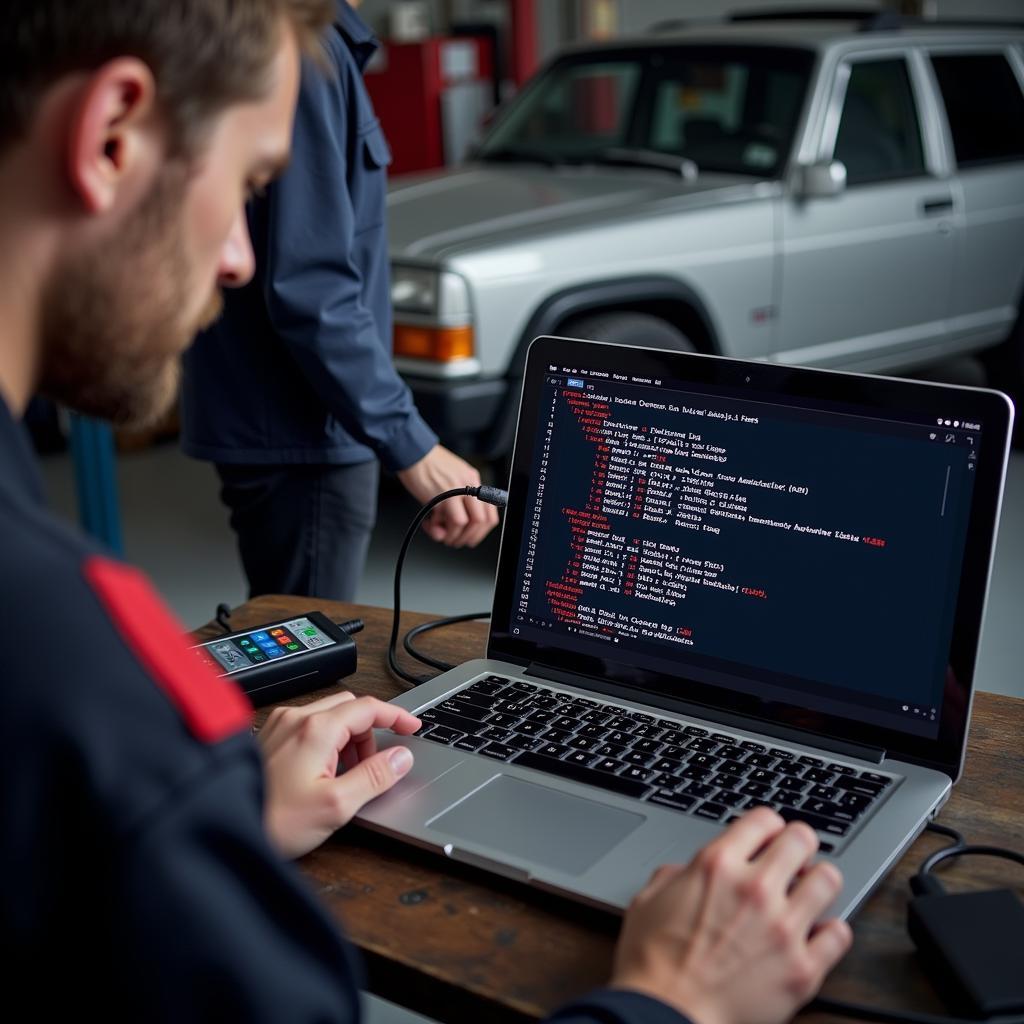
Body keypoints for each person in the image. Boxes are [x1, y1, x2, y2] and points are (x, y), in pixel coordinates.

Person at [0, 1, 852, 1020]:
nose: (238, 257)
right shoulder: (71, 666)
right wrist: (676, 1002)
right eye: (248, 185)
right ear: (110, 137)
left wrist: (232, 817)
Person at [180, 0, 497, 603]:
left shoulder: (296, 44)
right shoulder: (308, 55)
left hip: (291, 420)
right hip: (305, 431)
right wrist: (412, 444)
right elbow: (311, 287)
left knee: (296, 639)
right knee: (312, 655)